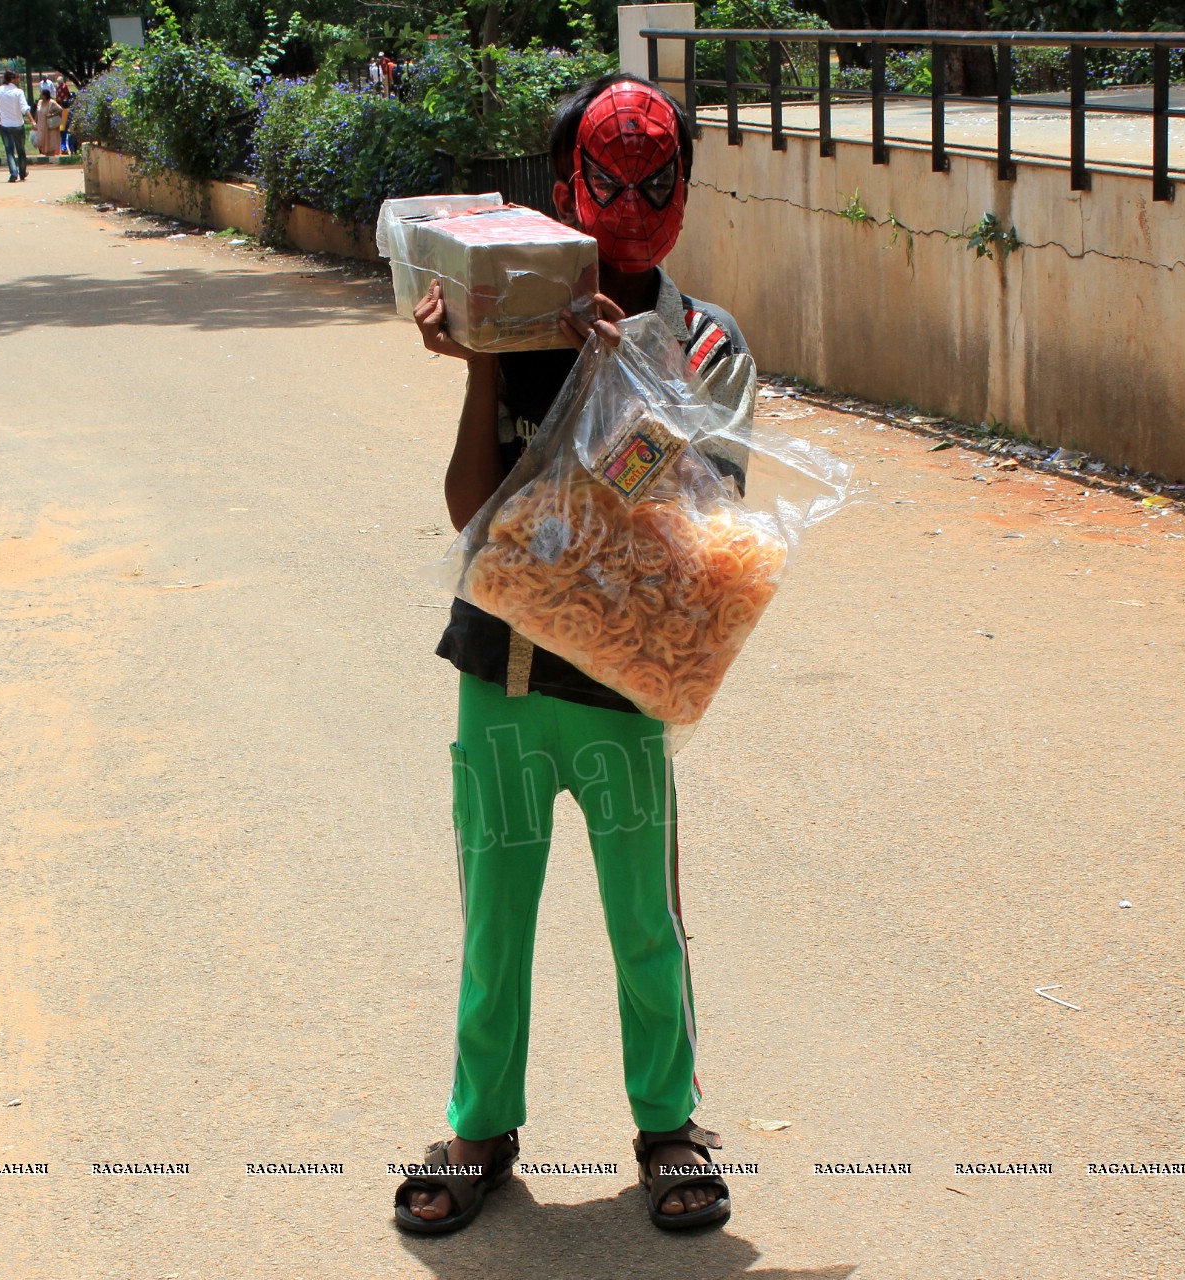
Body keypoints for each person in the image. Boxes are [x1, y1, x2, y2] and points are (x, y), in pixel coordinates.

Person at [393, 74, 754, 1238]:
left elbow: (697, 526)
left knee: (644, 920)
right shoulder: (516, 317)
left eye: (661, 182)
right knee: (495, 916)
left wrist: (625, 376)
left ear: (687, 191)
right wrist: (485, 358)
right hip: (499, 678)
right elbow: (472, 511)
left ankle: (670, 1126)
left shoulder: (705, 344)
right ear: (567, 188)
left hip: (621, 690)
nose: (637, 203)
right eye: (613, 180)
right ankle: (479, 1127)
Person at [0, 69, 29, 181]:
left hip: (5, 125)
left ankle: (13, 173)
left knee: (9, 150)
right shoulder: (18, 92)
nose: (18, 79)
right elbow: (24, 108)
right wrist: (32, 120)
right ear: (12, 79)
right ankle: (22, 172)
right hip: (18, 124)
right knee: (21, 150)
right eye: (17, 77)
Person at [33, 88, 60, 157]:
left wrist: (52, 114)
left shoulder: (52, 102)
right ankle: (43, 153)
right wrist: (35, 122)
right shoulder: (39, 102)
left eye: (42, 95)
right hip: (40, 124)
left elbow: (60, 110)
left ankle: (50, 155)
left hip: (48, 124)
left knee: (50, 140)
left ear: (45, 96)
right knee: (40, 139)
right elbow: (37, 112)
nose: (40, 96)